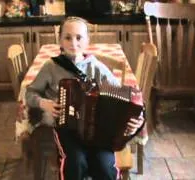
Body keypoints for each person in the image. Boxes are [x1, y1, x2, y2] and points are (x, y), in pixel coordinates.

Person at [25, 16, 144, 180]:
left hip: (99, 132)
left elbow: (124, 99)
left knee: (105, 167)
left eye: (79, 37)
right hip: (67, 129)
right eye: (67, 37)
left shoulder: (96, 66)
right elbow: (30, 93)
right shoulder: (51, 67)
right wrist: (44, 103)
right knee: (75, 163)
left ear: (88, 41)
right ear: (60, 40)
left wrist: (137, 119)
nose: (73, 43)